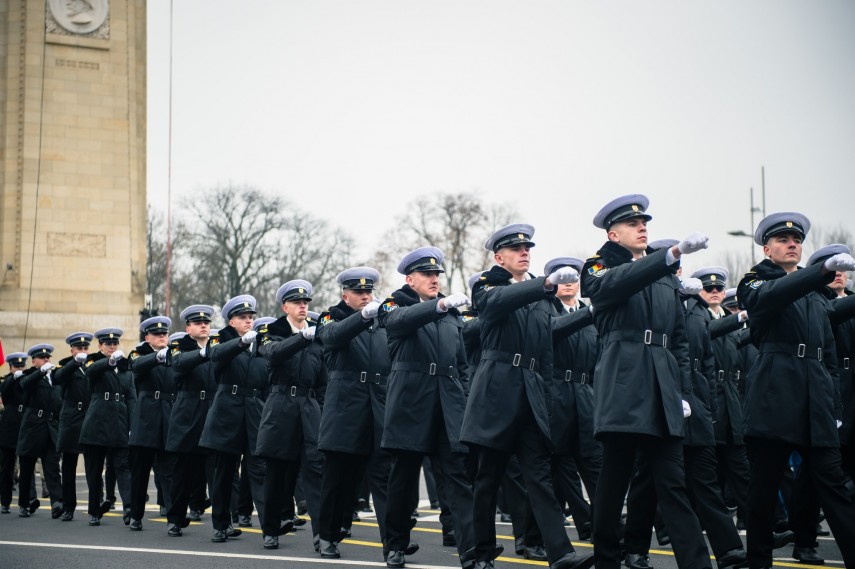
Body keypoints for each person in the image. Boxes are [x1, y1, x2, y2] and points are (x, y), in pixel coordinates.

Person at [579, 195, 712, 569]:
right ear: (613, 233)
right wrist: (667, 256)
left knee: (673, 484)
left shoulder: (663, 274)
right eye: (633, 224)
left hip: (663, 386)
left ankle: (697, 563)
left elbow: (680, 341)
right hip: (624, 382)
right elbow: (609, 287)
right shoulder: (599, 265)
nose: (642, 228)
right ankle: (607, 557)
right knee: (614, 480)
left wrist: (683, 392)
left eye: (644, 224)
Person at [461, 223, 594, 569]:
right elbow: (493, 304)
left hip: (531, 394)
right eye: (516, 249)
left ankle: (560, 554)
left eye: (528, 249)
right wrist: (545, 284)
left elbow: (547, 345)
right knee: (488, 478)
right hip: (496, 392)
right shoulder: (488, 285)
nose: (525, 253)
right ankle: (481, 552)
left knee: (539, 477)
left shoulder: (540, 295)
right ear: (498, 256)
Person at [737, 213, 855, 568]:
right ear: (766, 247)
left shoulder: (817, 295)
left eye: (797, 240)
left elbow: (831, 358)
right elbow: (768, 298)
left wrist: (833, 407)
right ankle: (759, 561)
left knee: (832, 487)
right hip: (775, 396)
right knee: (763, 489)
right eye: (784, 240)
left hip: (815, 400)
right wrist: (817, 274)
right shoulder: (755, 280)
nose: (792, 244)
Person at [378, 247, 475, 569]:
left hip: (447, 405)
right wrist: (439, 304)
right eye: (427, 275)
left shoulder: (451, 315)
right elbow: (398, 321)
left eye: (437, 275)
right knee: (403, 481)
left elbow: (461, 363)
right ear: (410, 279)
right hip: (410, 405)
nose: (435, 279)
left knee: (458, 478)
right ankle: (395, 545)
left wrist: (462, 395)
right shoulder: (395, 304)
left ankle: (471, 549)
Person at [316, 267, 392, 560]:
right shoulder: (331, 316)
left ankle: (393, 542)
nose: (364, 296)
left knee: (384, 477)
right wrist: (362, 318)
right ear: (344, 294)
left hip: (378, 405)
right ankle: (328, 536)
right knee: (338, 477)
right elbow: (331, 337)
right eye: (358, 292)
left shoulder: (381, 320)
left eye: (368, 291)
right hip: (345, 407)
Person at [256, 280, 326, 550]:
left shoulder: (316, 336)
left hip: (309, 409)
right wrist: (300, 338)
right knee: (277, 474)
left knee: (315, 473)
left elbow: (322, 382)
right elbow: (273, 354)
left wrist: (319, 409)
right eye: (297, 303)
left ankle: (323, 534)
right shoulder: (270, 331)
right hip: (281, 406)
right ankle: (271, 529)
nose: (303, 306)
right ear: (285, 306)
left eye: (306, 303)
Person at [199, 294, 268, 543]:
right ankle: (221, 524)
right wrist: (240, 343)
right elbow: (214, 355)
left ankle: (270, 527)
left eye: (251, 317)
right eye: (242, 318)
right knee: (224, 473)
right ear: (231, 322)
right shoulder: (221, 339)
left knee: (259, 470)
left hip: (253, 413)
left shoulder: (259, 344)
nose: (249, 321)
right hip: (227, 412)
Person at [543, 256, 601, 548]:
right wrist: (590, 312)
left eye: (573, 278)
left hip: (585, 395)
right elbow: (552, 331)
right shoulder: (545, 309)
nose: (568, 282)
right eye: (561, 277)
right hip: (556, 395)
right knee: (561, 466)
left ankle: (605, 525)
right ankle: (584, 521)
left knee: (594, 463)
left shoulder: (590, 312)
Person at [166, 305, 217, 536]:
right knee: (181, 471)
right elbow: (178, 364)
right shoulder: (179, 347)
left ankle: (222, 522)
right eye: (198, 323)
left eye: (206, 322)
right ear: (188, 328)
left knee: (216, 471)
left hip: (212, 411)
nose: (204, 326)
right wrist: (201, 354)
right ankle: (175, 518)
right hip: (187, 412)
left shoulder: (217, 347)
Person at [80, 328, 136, 526]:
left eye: (115, 344)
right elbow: (90, 372)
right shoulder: (93, 360)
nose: (112, 347)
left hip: (120, 423)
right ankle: (94, 510)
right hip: (97, 423)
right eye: (108, 344)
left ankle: (129, 507)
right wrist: (109, 362)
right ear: (100, 346)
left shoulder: (125, 367)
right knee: (94, 470)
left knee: (123, 467)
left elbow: (131, 397)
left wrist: (132, 425)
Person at [127, 316, 177, 531]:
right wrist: (157, 356)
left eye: (164, 334)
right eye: (157, 334)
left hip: (168, 416)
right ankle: (136, 515)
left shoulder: (173, 355)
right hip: (146, 418)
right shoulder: (140, 353)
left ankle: (173, 518)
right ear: (147, 337)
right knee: (140, 472)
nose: (162, 337)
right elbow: (136, 366)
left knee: (169, 472)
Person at [15, 344, 63, 518]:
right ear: (34, 361)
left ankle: (57, 502)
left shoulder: (54, 378)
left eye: (48, 358)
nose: (46, 360)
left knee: (52, 466)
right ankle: (25, 503)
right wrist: (40, 372)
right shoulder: (29, 375)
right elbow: (26, 385)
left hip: (50, 426)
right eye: (42, 358)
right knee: (27, 467)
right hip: (33, 426)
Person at [52, 332, 95, 521]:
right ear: (72, 350)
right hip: (71, 418)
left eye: (86, 348)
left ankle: (96, 504)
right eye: (79, 348)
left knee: (93, 463)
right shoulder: (66, 365)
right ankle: (69, 507)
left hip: (89, 416)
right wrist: (75, 362)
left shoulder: (92, 366)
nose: (83, 351)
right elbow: (59, 377)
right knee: (69, 465)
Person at [0, 352, 29, 514]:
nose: (20, 368)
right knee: (7, 468)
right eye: (16, 366)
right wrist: (13, 377)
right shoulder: (7, 381)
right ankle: (5, 501)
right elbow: (4, 389)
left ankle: (24, 504)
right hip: (9, 428)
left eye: (22, 366)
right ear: (10, 368)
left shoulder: (27, 381)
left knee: (26, 468)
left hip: (25, 426)